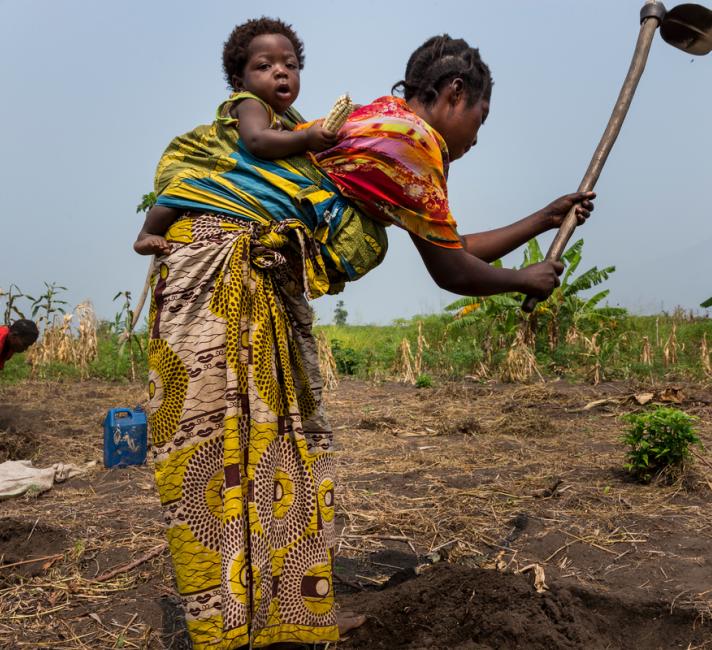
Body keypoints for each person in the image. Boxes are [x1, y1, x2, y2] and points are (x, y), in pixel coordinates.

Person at [141, 25, 594, 650]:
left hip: (260, 283)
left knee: (284, 453)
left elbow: (447, 242)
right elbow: (453, 268)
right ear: (454, 93)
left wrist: (545, 217)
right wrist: (524, 279)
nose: (477, 137)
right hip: (224, 283)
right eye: (480, 119)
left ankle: (287, 619)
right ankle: (229, 627)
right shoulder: (410, 143)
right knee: (223, 455)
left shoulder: (386, 127)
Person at [133, 17, 338, 257]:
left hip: (239, 176)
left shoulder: (289, 116)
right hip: (216, 167)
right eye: (264, 66)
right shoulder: (251, 103)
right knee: (184, 190)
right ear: (239, 83)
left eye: (290, 65)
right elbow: (257, 141)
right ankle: (146, 234)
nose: (281, 71)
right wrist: (306, 139)